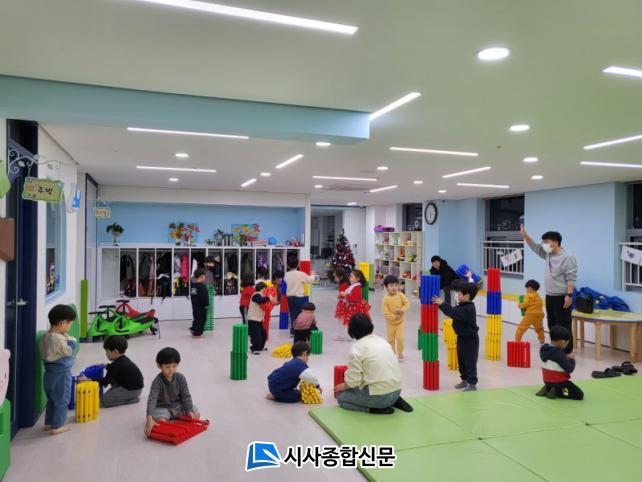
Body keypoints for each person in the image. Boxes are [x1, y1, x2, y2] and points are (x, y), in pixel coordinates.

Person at [335, 314, 413, 414]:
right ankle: (395, 400)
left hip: (379, 397)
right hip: (397, 390)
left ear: (352, 330)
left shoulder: (356, 348)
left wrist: (343, 386)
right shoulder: (382, 341)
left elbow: (353, 381)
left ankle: (375, 409)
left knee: (342, 398)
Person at [520, 227, 578, 353]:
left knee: (563, 325)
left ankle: (567, 351)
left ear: (555, 243)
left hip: (562, 296)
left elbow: (571, 277)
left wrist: (569, 295)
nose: (543, 245)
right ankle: (556, 348)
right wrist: (525, 235)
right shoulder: (548, 254)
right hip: (550, 295)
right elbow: (534, 247)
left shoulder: (568, 257)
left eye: (546, 242)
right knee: (552, 323)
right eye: (543, 242)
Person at [433, 282, 479, 391]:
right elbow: (454, 311)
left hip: (470, 340)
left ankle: (472, 384)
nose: (457, 296)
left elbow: (453, 312)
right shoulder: (462, 305)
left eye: (459, 294)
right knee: (461, 360)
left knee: (470, 362)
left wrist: (442, 304)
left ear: (467, 296)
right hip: (461, 337)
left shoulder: (469, 308)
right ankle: (464, 380)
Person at [39, 304, 77, 435]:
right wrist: (72, 341)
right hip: (61, 374)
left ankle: (49, 423)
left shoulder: (46, 336)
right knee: (62, 400)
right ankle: (58, 426)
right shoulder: (59, 340)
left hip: (49, 373)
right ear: (63, 323)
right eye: (70, 324)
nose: (69, 327)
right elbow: (69, 351)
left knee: (52, 399)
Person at [145, 347, 199, 436]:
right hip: (163, 408)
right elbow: (152, 400)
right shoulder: (157, 382)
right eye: (167, 367)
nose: (171, 370)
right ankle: (173, 420)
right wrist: (149, 418)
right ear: (159, 366)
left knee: (196, 413)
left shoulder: (180, 378)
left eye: (174, 366)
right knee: (160, 421)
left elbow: (185, 396)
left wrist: (189, 410)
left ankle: (174, 420)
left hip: (178, 406)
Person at [78, 335, 144, 407]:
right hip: (132, 386)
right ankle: (125, 395)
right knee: (113, 379)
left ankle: (132, 399)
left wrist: (88, 380)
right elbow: (115, 369)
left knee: (104, 401)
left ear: (115, 351)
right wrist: (105, 365)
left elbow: (105, 381)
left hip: (132, 390)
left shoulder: (116, 365)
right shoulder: (122, 359)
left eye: (107, 351)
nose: (106, 354)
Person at [537, 326, 584, 400]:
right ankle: (557, 391)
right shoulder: (559, 354)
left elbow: (554, 359)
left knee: (554, 382)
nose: (566, 345)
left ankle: (548, 387)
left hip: (547, 381)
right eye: (566, 343)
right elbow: (569, 369)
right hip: (560, 383)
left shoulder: (543, 349)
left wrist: (564, 356)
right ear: (562, 342)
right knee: (579, 394)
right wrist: (572, 359)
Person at [284, 258, 316, 335]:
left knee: (292, 314)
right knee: (298, 314)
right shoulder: (300, 274)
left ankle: (293, 330)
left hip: (289, 297)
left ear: (287, 265)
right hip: (299, 297)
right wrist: (313, 274)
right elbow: (310, 280)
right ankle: (295, 331)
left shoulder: (286, 274)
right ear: (298, 264)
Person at [382, 275, 410, 360]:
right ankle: (392, 354)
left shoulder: (400, 295)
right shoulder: (385, 299)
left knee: (400, 338)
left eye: (395, 285)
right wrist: (394, 317)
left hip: (400, 323)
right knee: (390, 340)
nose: (394, 287)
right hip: (390, 324)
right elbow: (385, 312)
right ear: (386, 287)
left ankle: (400, 351)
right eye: (391, 286)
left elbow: (407, 304)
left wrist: (402, 310)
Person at [248, 281, 276, 354]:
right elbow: (260, 301)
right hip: (253, 319)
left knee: (263, 334)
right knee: (256, 334)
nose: (265, 290)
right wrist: (268, 298)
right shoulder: (256, 294)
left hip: (258, 319)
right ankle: (254, 348)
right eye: (265, 289)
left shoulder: (260, 295)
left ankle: (260, 347)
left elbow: (263, 301)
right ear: (262, 288)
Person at [516, 279, 546, 344]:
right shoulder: (538, 296)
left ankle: (517, 341)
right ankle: (542, 340)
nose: (526, 290)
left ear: (530, 288)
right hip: (539, 315)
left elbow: (525, 304)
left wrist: (520, 305)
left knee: (521, 328)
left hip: (530, 315)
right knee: (539, 328)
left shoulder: (528, 295)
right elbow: (540, 304)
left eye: (526, 288)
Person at [190, 268, 209, 339]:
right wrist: (206, 304)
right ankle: (197, 334)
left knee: (196, 318)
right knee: (201, 319)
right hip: (201, 307)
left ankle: (193, 329)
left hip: (195, 306)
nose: (205, 277)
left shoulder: (193, 286)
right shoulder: (202, 286)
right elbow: (205, 296)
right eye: (204, 276)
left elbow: (192, 295)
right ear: (202, 276)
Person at [333, 268, 350, 341]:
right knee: (345, 320)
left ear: (341, 277)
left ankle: (341, 336)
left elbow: (343, 295)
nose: (335, 279)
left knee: (341, 320)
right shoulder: (346, 283)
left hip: (343, 304)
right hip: (346, 303)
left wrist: (339, 296)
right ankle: (347, 336)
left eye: (335, 277)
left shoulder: (343, 284)